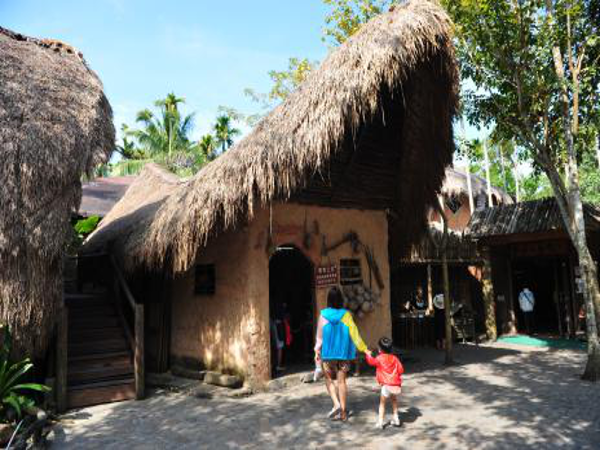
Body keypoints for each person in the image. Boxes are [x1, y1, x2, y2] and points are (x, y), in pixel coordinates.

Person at [315, 286, 367, 422]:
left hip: (327, 355)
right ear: (341, 300)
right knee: (342, 382)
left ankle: (336, 404)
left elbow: (319, 337)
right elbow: (354, 334)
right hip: (343, 355)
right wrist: (364, 348)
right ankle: (343, 412)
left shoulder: (323, 315)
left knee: (328, 379)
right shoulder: (346, 315)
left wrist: (316, 350)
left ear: (328, 300)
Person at [365, 337, 404, 429]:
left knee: (382, 404)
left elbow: (371, 362)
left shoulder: (379, 358)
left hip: (386, 385)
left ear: (379, 349)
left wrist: (368, 354)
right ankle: (396, 419)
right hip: (395, 385)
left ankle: (380, 422)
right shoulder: (395, 358)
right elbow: (401, 370)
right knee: (394, 401)